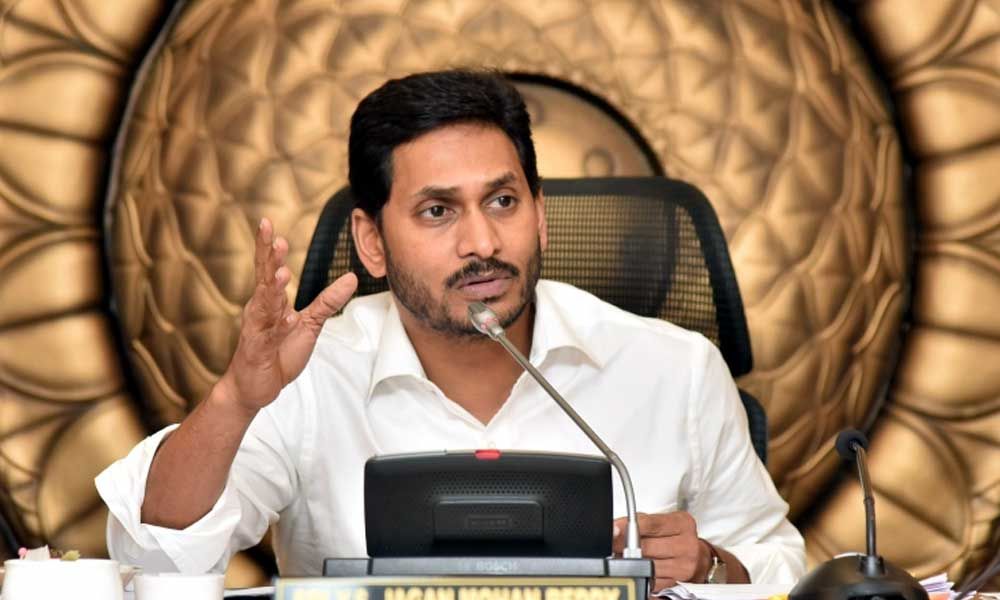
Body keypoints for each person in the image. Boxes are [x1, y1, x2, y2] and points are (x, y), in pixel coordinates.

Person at [96, 69, 805, 590]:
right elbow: (152, 560)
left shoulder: (675, 368)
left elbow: (783, 567)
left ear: (541, 215)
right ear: (371, 243)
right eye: (437, 211)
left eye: (503, 201)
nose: (482, 243)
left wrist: (712, 566)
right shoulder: (307, 376)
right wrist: (234, 401)